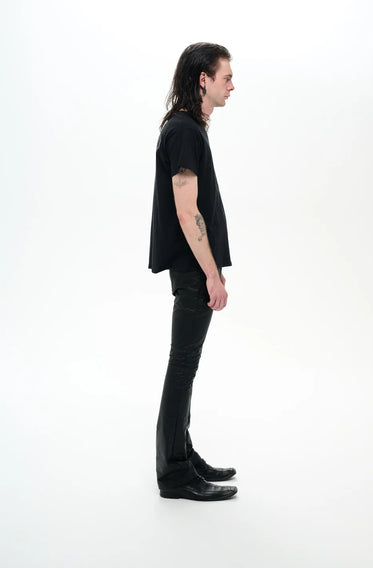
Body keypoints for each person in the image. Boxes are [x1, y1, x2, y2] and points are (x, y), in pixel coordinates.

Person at [148, 42, 237, 501]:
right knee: (182, 364)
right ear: (203, 79)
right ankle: (175, 472)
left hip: (194, 267)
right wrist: (211, 275)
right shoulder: (183, 130)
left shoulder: (186, 129)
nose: (232, 86)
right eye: (226, 77)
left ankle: (181, 453)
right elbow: (187, 212)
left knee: (186, 364)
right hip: (192, 269)